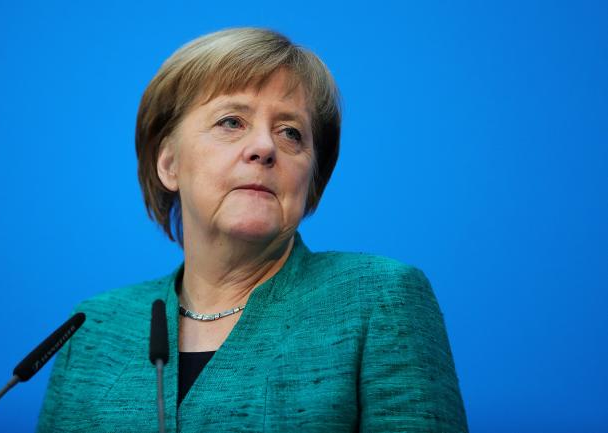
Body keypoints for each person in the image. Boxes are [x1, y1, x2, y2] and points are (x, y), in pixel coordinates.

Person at [36, 27, 468, 432]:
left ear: (311, 178)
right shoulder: (93, 329)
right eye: (231, 122)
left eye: (290, 133)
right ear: (169, 163)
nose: (264, 147)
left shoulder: (377, 298)